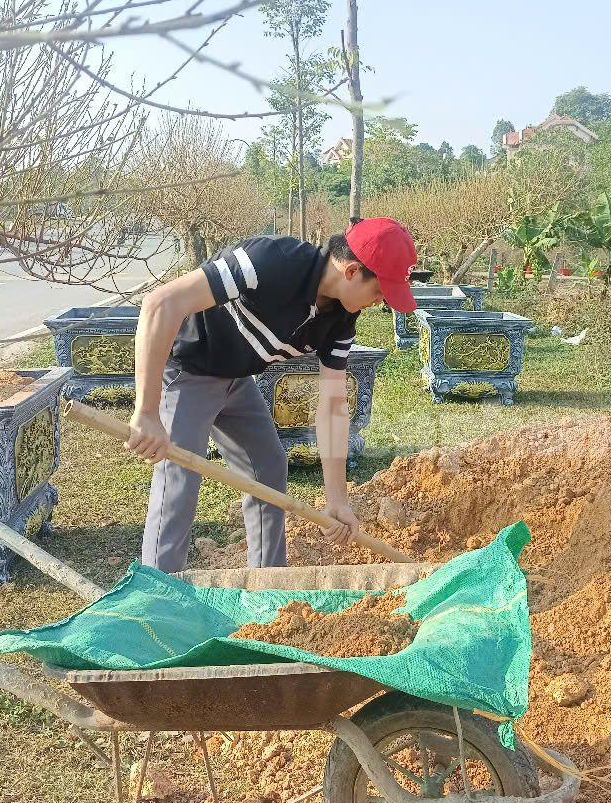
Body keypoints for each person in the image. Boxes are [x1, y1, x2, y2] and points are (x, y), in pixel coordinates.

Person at [125, 218, 419, 571]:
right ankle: (157, 590)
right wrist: (146, 411)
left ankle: (267, 583)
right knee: (179, 478)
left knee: (267, 468)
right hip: (188, 371)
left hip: (236, 378)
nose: (379, 302)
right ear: (353, 271)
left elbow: (333, 405)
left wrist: (337, 498)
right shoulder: (271, 260)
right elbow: (161, 303)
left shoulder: (341, 316)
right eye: (379, 292)